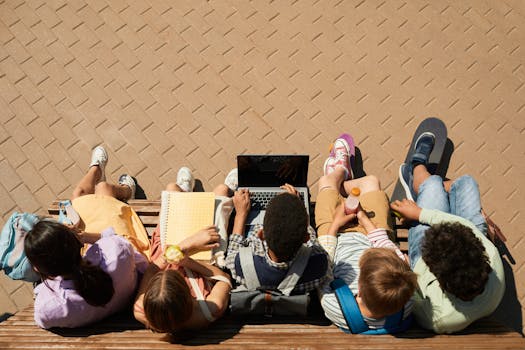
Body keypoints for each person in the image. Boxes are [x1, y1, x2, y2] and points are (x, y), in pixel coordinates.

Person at [391, 132, 505, 334]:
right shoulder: (489, 257)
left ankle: (417, 167)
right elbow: (462, 225)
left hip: (419, 266)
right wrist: (420, 212)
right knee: (467, 182)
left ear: (439, 277)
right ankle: (428, 190)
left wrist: (407, 270)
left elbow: (411, 295)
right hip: (463, 247)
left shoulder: (434, 314)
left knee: (433, 184)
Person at [316, 135, 417, 333]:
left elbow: (324, 268)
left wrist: (336, 225)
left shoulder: (336, 307)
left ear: (359, 290)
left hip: (335, 237)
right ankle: (340, 180)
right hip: (373, 231)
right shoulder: (405, 300)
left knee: (325, 182)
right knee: (372, 181)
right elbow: (389, 249)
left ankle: (339, 172)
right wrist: (363, 218)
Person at [133, 169, 234, 333]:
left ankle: (185, 191)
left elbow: (153, 269)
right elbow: (224, 280)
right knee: (221, 191)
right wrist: (187, 259)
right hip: (202, 261)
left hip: (169, 253)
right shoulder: (210, 310)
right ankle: (225, 190)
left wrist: (183, 247)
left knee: (172, 189)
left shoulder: (141, 310)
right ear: (188, 296)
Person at [24, 221, 145, 328]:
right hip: (130, 297)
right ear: (76, 242)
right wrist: (85, 236)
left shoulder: (50, 307)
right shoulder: (117, 252)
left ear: (38, 269)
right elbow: (115, 238)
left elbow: (40, 318)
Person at [225, 175, 328, 296]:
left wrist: (241, 214)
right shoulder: (319, 266)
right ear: (306, 238)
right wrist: (295, 206)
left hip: (254, 276)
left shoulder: (241, 265)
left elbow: (231, 253)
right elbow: (311, 238)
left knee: (236, 178)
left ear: (261, 234)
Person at [69, 145, 150, 258]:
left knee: (79, 193)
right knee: (103, 188)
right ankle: (127, 191)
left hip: (84, 241)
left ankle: (96, 169)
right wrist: (84, 237)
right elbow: (119, 242)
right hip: (111, 245)